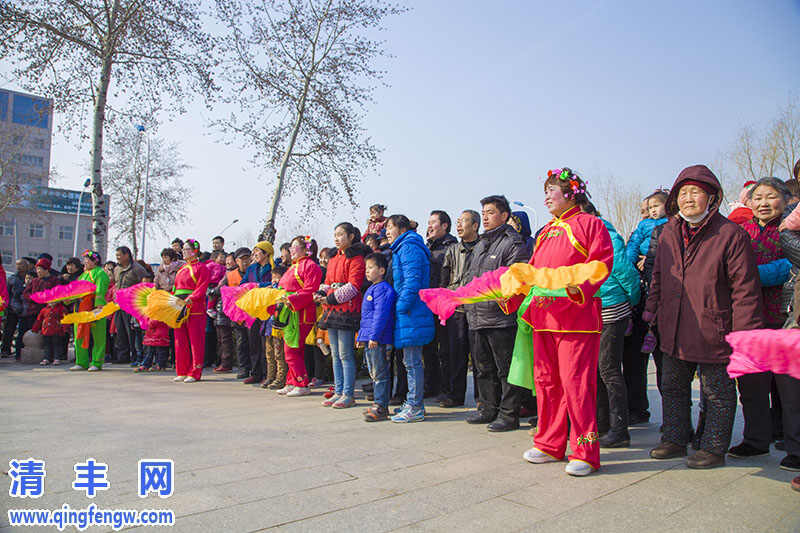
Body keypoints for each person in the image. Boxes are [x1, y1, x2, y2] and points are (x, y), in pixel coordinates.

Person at [645, 165, 763, 469]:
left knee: (717, 392)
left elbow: (745, 290)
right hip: (673, 324)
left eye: (695, 192)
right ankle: (674, 438)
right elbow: (658, 276)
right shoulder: (668, 232)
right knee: (672, 385)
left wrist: (745, 335)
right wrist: (652, 311)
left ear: (712, 197)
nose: (688, 199)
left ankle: (713, 446)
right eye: (682, 193)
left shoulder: (730, 235)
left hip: (715, 327)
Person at [520, 169, 613, 477]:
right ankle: (549, 443)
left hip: (576, 319)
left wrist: (578, 287)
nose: (547, 196)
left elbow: (601, 263)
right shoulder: (546, 231)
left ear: (571, 193)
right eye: (545, 191)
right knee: (546, 383)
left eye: (552, 190)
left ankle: (585, 451)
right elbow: (533, 271)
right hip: (544, 317)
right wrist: (514, 291)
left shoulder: (590, 224)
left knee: (577, 385)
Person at [730, 177, 799, 472]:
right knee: (751, 384)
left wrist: (750, 275)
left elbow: (790, 267)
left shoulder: (791, 229)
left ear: (785, 199)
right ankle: (756, 439)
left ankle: (795, 447)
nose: (763, 203)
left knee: (790, 389)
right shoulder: (740, 232)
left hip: (785, 316)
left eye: (770, 197)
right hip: (749, 317)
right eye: (757, 198)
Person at [465, 195, 529, 432]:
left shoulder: (513, 244)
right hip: (477, 316)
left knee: (506, 369)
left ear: (504, 215)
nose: (485, 217)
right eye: (483, 213)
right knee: (483, 368)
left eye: (490, 212)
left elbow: (515, 281)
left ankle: (509, 414)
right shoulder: (481, 244)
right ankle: (487, 408)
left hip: (501, 318)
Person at [583, 202, 640, 448]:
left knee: (608, 369)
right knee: (594, 370)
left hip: (610, 307)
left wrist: (630, 302)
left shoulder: (605, 234)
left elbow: (625, 272)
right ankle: (601, 424)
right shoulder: (577, 237)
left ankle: (620, 429)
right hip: (588, 311)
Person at [623, 189, 669, 424]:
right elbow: (628, 256)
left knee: (665, 364)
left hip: (661, 304)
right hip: (639, 302)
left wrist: (649, 260)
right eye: (644, 210)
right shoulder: (640, 231)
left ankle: (673, 418)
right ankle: (636, 408)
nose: (647, 214)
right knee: (633, 359)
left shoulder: (671, 229)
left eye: (652, 208)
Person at [385, 214, 434, 422]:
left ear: (402, 229)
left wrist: (400, 307)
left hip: (411, 312)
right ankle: (413, 402)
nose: (387, 232)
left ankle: (415, 406)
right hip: (409, 313)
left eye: (390, 227)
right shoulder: (402, 247)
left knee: (412, 362)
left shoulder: (409, 247)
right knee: (409, 361)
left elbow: (412, 281)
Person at [316, 223, 368, 408]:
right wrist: (321, 293)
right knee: (335, 354)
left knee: (345, 354)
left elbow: (354, 286)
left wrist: (330, 298)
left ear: (351, 236)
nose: (336, 238)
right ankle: (338, 391)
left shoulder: (357, 258)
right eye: (335, 235)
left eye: (340, 234)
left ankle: (348, 393)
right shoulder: (334, 258)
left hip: (347, 310)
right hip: (331, 309)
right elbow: (328, 281)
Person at [439, 209, 480, 407]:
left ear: (475, 225)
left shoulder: (484, 247)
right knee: (456, 355)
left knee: (480, 356)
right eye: (458, 221)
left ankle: (483, 400)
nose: (459, 225)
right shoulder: (452, 250)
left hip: (479, 308)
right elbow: (444, 279)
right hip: (456, 309)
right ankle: (455, 395)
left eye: (463, 221)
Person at [274, 236, 322, 397]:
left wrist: (292, 299)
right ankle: (292, 381)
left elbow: (310, 290)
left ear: (305, 249)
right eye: (291, 247)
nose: (291, 250)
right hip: (290, 311)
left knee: (291, 349)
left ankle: (302, 383)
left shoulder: (311, 266)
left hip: (301, 312)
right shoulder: (293, 266)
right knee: (295, 348)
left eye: (294, 247)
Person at [423, 210, 458, 400]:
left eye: (433, 222)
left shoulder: (452, 247)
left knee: (446, 349)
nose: (429, 226)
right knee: (428, 347)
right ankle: (431, 385)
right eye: (428, 222)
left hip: (444, 304)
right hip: (428, 303)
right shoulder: (427, 246)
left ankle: (448, 389)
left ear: (445, 225)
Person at [358, 252, 397, 422]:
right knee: (374, 373)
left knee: (380, 374)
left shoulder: (383, 289)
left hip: (378, 339)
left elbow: (380, 315)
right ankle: (377, 402)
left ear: (382, 270)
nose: (367, 271)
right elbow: (366, 317)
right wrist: (362, 337)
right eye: (366, 268)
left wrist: (374, 336)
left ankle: (381, 406)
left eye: (371, 268)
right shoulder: (372, 288)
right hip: (370, 338)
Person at [171, 239, 211, 383]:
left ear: (194, 251)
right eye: (183, 249)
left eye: (186, 249)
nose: (183, 252)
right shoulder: (182, 269)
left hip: (195, 308)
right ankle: (182, 370)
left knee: (196, 341)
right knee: (179, 340)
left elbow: (202, 287)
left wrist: (191, 298)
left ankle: (195, 371)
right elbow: (175, 288)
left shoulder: (202, 268)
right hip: (179, 306)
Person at [239, 241, 274, 384]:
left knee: (266, 343)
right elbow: (243, 284)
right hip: (253, 308)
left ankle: (268, 373)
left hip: (268, 308)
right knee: (253, 341)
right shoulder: (252, 268)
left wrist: (257, 286)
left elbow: (275, 284)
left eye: (257, 251)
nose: (254, 254)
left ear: (266, 253)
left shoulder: (273, 267)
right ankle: (255, 373)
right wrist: (254, 286)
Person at [69, 250, 110, 372]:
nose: (84, 262)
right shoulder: (83, 275)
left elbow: (100, 290)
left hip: (95, 307)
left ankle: (97, 362)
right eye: (84, 260)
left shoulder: (100, 273)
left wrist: (99, 305)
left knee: (98, 337)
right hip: (81, 308)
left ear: (94, 261)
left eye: (87, 260)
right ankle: (81, 362)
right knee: (79, 334)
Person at [113, 246, 148, 365]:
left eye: (119, 255)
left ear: (127, 255)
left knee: (131, 331)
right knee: (120, 330)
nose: (117, 257)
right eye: (116, 255)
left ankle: (135, 355)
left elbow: (144, 284)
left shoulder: (137, 269)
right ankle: (123, 356)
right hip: (117, 304)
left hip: (130, 304)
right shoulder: (117, 269)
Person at [262, 264, 289, 389]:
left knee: (279, 354)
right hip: (268, 327)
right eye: (273, 278)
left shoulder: (283, 291)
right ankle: (270, 376)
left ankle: (280, 378)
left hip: (278, 327)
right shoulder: (270, 290)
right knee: (269, 353)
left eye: (277, 278)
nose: (274, 280)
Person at [2, 259, 31, 358]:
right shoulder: (12, 278)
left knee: (23, 331)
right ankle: (5, 350)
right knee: (8, 331)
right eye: (17, 264)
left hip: (26, 309)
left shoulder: (31, 277)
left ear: (27, 266)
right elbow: (7, 293)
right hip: (12, 309)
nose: (19, 266)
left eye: (21, 264)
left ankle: (20, 351)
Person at [32, 301, 68, 366]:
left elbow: (65, 319)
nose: (52, 303)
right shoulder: (44, 309)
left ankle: (57, 358)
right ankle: (47, 358)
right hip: (46, 330)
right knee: (47, 345)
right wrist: (35, 328)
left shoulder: (62, 309)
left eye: (54, 301)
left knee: (57, 345)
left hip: (57, 330)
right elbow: (39, 319)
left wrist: (65, 329)